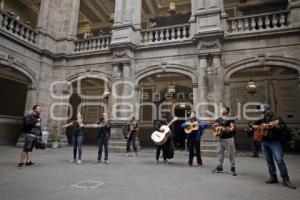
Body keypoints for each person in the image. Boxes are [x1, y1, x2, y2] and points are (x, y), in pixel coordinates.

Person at [253, 104, 296, 189]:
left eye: (264, 111)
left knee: (279, 159)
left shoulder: (277, 118)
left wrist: (271, 126)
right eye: (262, 111)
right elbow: (253, 125)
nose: (262, 112)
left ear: (269, 110)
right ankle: (273, 177)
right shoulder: (262, 118)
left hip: (274, 141)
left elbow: (282, 128)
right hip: (264, 141)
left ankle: (285, 178)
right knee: (269, 160)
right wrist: (256, 126)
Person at [212, 106, 237, 176]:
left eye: (222, 109)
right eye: (221, 109)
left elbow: (232, 128)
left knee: (230, 154)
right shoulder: (219, 119)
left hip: (229, 138)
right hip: (221, 139)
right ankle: (219, 167)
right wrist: (215, 128)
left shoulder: (230, 118)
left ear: (226, 111)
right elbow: (214, 127)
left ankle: (233, 168)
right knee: (220, 153)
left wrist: (225, 129)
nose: (221, 110)